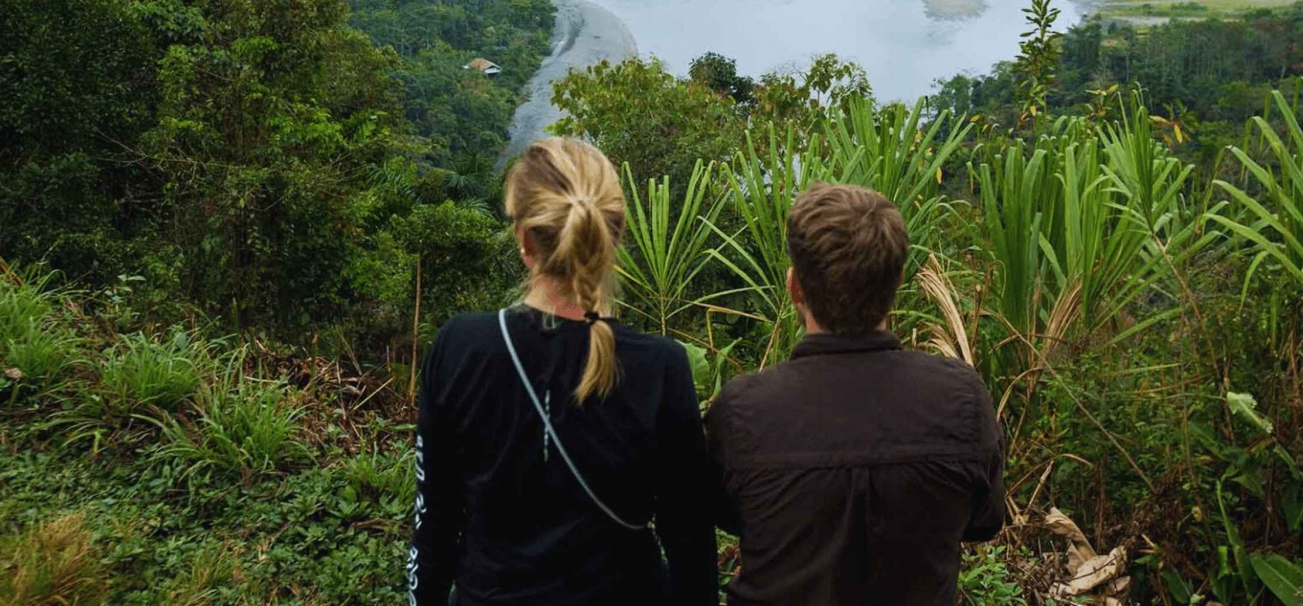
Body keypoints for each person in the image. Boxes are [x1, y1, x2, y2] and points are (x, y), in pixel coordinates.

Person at [407, 137, 717, 606]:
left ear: (525, 240)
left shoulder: (462, 348)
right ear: (616, 237)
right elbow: (690, 545)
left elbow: (433, 529)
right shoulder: (661, 367)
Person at [706, 182, 1006, 606]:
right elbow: (983, 522)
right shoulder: (962, 401)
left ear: (795, 287)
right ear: (898, 281)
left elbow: (731, 515)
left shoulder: (742, 411)